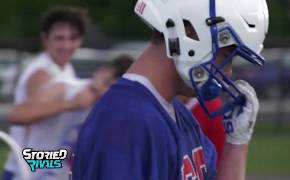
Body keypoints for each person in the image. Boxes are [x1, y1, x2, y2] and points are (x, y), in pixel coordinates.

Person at [73, 0, 269, 179]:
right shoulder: (128, 120)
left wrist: (237, 143)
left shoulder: (177, 114)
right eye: (226, 54)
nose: (228, 71)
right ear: (190, 33)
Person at [2, 6, 104, 180]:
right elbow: (21, 115)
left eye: (73, 38)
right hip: (28, 167)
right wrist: (75, 103)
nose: (66, 45)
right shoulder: (42, 72)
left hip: (39, 163)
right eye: (59, 38)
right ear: (45, 39)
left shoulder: (65, 69)